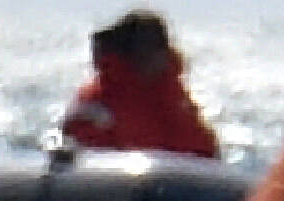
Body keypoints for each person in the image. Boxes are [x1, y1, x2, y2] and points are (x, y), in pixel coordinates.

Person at [56, 11, 221, 159]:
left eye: (157, 45)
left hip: (172, 188)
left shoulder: (175, 98)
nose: (151, 54)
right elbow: (79, 155)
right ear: (127, 51)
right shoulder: (98, 101)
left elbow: (205, 151)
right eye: (143, 45)